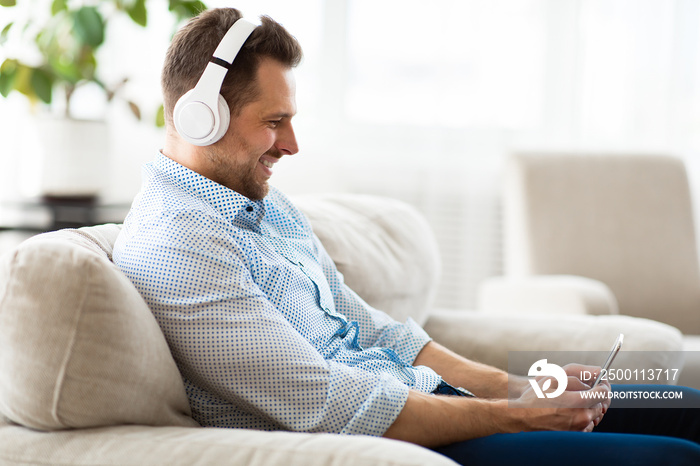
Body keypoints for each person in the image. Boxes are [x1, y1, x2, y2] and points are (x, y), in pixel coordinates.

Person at [113, 7, 700, 465]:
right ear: (201, 117)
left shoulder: (263, 205)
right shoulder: (178, 246)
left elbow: (371, 325)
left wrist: (520, 386)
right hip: (392, 439)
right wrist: (518, 414)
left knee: (687, 407)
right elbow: (330, 403)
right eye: (274, 122)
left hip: (431, 403)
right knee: (675, 457)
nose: (293, 144)